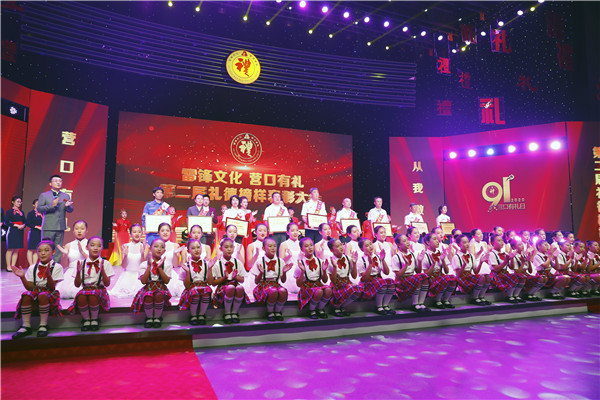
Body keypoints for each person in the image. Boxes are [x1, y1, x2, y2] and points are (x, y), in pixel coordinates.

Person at [11, 238, 64, 339]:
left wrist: (48, 275)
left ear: (53, 252)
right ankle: (26, 325)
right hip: (36, 293)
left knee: (43, 295)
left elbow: (52, 288)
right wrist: (22, 277)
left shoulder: (57, 267)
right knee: (26, 294)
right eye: (40, 251)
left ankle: (43, 325)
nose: (42, 253)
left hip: (49, 294)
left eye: (46, 250)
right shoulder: (33, 268)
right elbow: (29, 288)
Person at [66, 237, 114, 332]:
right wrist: (78, 273)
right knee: (81, 296)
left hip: (99, 290)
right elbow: (77, 285)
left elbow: (107, 284)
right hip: (85, 289)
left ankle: (94, 319)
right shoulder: (81, 263)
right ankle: (86, 319)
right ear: (87, 247)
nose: (95, 248)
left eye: (99, 246)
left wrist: (103, 271)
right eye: (92, 245)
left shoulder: (105, 263)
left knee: (92, 294)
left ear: (102, 248)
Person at [132, 238, 171, 328]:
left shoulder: (167, 264)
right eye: (156, 246)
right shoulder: (144, 264)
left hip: (161, 288)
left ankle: (157, 317)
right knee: (148, 296)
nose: (159, 249)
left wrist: (160, 268)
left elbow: (167, 281)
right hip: (148, 287)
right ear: (150, 248)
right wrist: (149, 266)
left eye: (162, 247)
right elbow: (143, 281)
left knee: (159, 295)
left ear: (164, 251)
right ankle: (149, 317)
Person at [251, 237, 291, 321]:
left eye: (274, 246)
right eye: (270, 246)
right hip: (262, 286)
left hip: (275, 284)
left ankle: (277, 311)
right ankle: (270, 312)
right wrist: (261, 273)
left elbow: (283, 280)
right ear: (263, 248)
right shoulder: (259, 261)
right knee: (273, 291)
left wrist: (284, 272)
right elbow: (256, 281)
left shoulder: (280, 261)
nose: (273, 248)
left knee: (283, 291)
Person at [38, 175, 74, 263]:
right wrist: (52, 205)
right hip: (48, 226)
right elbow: (39, 209)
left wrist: (67, 206)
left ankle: (55, 267)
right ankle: (45, 266)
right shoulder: (44, 195)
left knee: (58, 249)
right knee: (46, 248)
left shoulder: (65, 196)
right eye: (56, 181)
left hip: (60, 226)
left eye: (60, 181)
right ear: (50, 183)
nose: (58, 183)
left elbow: (71, 210)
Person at [356, 238, 396, 315]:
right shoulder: (361, 260)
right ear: (362, 249)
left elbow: (386, 272)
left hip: (378, 280)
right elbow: (365, 278)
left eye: (371, 244)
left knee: (391, 282)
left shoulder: (377, 257)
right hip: (367, 283)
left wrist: (383, 260)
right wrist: (370, 264)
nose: (370, 246)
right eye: (367, 245)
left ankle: (385, 305)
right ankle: (379, 306)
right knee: (381, 283)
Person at [295, 237, 332, 319]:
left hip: (318, 285)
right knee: (319, 291)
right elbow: (298, 284)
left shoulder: (319, 261)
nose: (310, 248)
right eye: (306, 246)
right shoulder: (301, 263)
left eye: (311, 245)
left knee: (328, 289)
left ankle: (320, 308)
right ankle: (311, 310)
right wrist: (302, 271)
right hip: (306, 287)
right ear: (301, 249)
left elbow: (325, 280)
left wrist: (324, 271)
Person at [211, 238, 246, 324]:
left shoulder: (238, 262)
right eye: (226, 247)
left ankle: (234, 312)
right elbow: (213, 283)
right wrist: (224, 278)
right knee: (230, 288)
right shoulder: (217, 264)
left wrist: (235, 277)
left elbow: (242, 280)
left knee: (240, 288)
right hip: (223, 287)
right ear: (221, 248)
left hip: (235, 285)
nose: (229, 249)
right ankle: (227, 313)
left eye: (231, 247)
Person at [179, 239, 213, 325]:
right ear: (188, 251)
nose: (196, 250)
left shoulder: (207, 263)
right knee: (195, 291)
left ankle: (201, 315)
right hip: (191, 289)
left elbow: (210, 282)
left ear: (202, 249)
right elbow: (187, 286)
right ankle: (193, 315)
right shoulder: (186, 265)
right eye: (193, 248)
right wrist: (187, 272)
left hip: (204, 288)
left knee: (206, 290)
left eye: (198, 247)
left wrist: (210, 269)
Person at [392, 234, 429, 312]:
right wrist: (406, 265)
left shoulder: (412, 255)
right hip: (402, 281)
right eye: (404, 241)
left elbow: (418, 271)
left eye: (407, 240)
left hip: (412, 279)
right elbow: (398, 275)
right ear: (398, 244)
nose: (407, 242)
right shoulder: (396, 257)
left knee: (424, 277)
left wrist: (419, 261)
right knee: (418, 278)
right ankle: (415, 304)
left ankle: (421, 303)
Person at [452, 234, 491, 305]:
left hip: (470, 277)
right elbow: (458, 275)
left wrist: (481, 262)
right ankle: (474, 298)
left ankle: (481, 296)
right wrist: (464, 265)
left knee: (487, 277)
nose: (467, 244)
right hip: (462, 279)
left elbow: (476, 272)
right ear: (458, 244)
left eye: (468, 242)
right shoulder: (456, 257)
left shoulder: (471, 256)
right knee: (481, 277)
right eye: (464, 242)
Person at [327, 238, 361, 317]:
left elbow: (354, 276)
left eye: (341, 244)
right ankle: (336, 307)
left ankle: (341, 306)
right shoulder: (330, 261)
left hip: (346, 283)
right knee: (351, 288)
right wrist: (335, 267)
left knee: (358, 289)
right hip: (337, 285)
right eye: (337, 246)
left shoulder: (348, 258)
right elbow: (333, 281)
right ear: (332, 250)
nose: (341, 247)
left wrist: (354, 263)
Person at [109, 224, 145, 298]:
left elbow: (143, 265)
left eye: (139, 232)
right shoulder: (125, 246)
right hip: (127, 276)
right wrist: (125, 255)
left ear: (142, 233)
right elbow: (124, 266)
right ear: (130, 233)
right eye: (134, 232)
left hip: (139, 276)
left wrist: (142, 254)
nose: (137, 234)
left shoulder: (144, 247)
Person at [421, 233, 456, 309]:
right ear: (428, 242)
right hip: (431, 279)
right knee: (444, 279)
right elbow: (426, 275)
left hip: (440, 276)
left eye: (437, 239)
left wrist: (443, 260)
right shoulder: (425, 255)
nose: (437, 241)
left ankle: (446, 300)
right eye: (434, 239)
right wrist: (433, 265)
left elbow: (446, 271)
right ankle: (437, 300)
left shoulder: (440, 253)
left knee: (453, 278)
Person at [55, 220, 89, 299]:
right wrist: (65, 255)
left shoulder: (90, 244)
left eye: (82, 228)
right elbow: (64, 266)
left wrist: (82, 252)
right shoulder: (68, 245)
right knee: (66, 292)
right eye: (76, 229)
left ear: (86, 230)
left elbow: (94, 260)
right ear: (73, 231)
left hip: (86, 272)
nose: (79, 231)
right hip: (71, 273)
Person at [489, 234, 524, 303]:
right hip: (497, 276)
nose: (502, 242)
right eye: (499, 241)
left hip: (505, 274)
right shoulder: (492, 254)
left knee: (522, 277)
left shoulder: (505, 253)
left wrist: (512, 258)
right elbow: (496, 269)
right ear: (493, 243)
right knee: (513, 277)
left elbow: (511, 267)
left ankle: (516, 295)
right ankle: (509, 296)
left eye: (502, 240)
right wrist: (506, 261)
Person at [279, 222, 302, 294]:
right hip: (288, 270)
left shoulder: (301, 243)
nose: (295, 232)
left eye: (297, 230)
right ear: (287, 232)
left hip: (299, 270)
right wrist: (289, 256)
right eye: (292, 231)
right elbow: (281, 261)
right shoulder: (284, 244)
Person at [5, 196, 26, 271]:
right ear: (13, 202)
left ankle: (13, 266)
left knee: (16, 249)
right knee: (10, 249)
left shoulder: (22, 212)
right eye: (18, 201)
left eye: (20, 202)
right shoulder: (9, 212)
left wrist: (23, 225)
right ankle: (8, 266)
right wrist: (16, 225)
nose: (19, 203)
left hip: (20, 232)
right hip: (12, 231)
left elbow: (25, 221)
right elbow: (6, 222)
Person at [25, 199, 43, 266]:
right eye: (37, 203)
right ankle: (31, 265)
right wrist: (36, 227)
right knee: (31, 249)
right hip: (33, 232)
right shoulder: (31, 213)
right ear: (33, 205)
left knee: (36, 249)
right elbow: (28, 223)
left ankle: (34, 265)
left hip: (40, 233)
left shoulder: (42, 213)